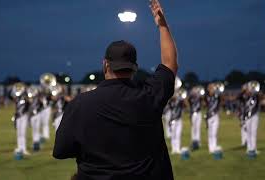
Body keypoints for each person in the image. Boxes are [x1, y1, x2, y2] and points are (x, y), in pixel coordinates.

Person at [53, 0, 178, 179]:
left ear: (105, 65)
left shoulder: (80, 103)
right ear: (134, 67)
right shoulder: (149, 96)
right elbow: (170, 63)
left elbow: (61, 150)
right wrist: (162, 25)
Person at [205, 83, 222, 153]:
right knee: (210, 133)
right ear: (208, 89)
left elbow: (222, 98)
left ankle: (214, 147)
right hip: (209, 116)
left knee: (214, 133)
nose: (212, 90)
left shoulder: (217, 96)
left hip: (215, 116)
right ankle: (210, 148)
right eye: (211, 88)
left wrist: (217, 89)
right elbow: (205, 100)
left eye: (213, 88)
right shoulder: (206, 96)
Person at [168, 89, 186, 154]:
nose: (175, 95)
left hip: (179, 120)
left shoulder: (180, 101)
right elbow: (170, 105)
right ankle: (173, 149)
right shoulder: (170, 101)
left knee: (178, 135)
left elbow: (185, 106)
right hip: (172, 120)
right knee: (173, 135)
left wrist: (182, 98)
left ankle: (177, 149)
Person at [27, 86, 43, 152]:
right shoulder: (29, 99)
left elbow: (42, 105)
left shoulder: (38, 99)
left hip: (38, 115)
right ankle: (35, 143)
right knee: (34, 130)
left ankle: (36, 144)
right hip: (32, 116)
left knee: (37, 129)